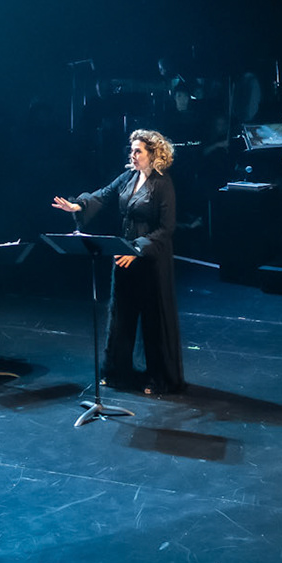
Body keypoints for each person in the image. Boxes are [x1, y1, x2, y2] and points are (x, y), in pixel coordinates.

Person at [52, 130, 185, 395]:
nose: (132, 155)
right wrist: (77, 206)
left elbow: (166, 228)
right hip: (124, 255)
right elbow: (103, 195)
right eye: (131, 150)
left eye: (138, 151)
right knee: (121, 314)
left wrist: (137, 249)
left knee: (152, 318)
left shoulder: (162, 184)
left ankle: (158, 377)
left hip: (150, 258)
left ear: (153, 154)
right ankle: (117, 373)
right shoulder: (128, 177)